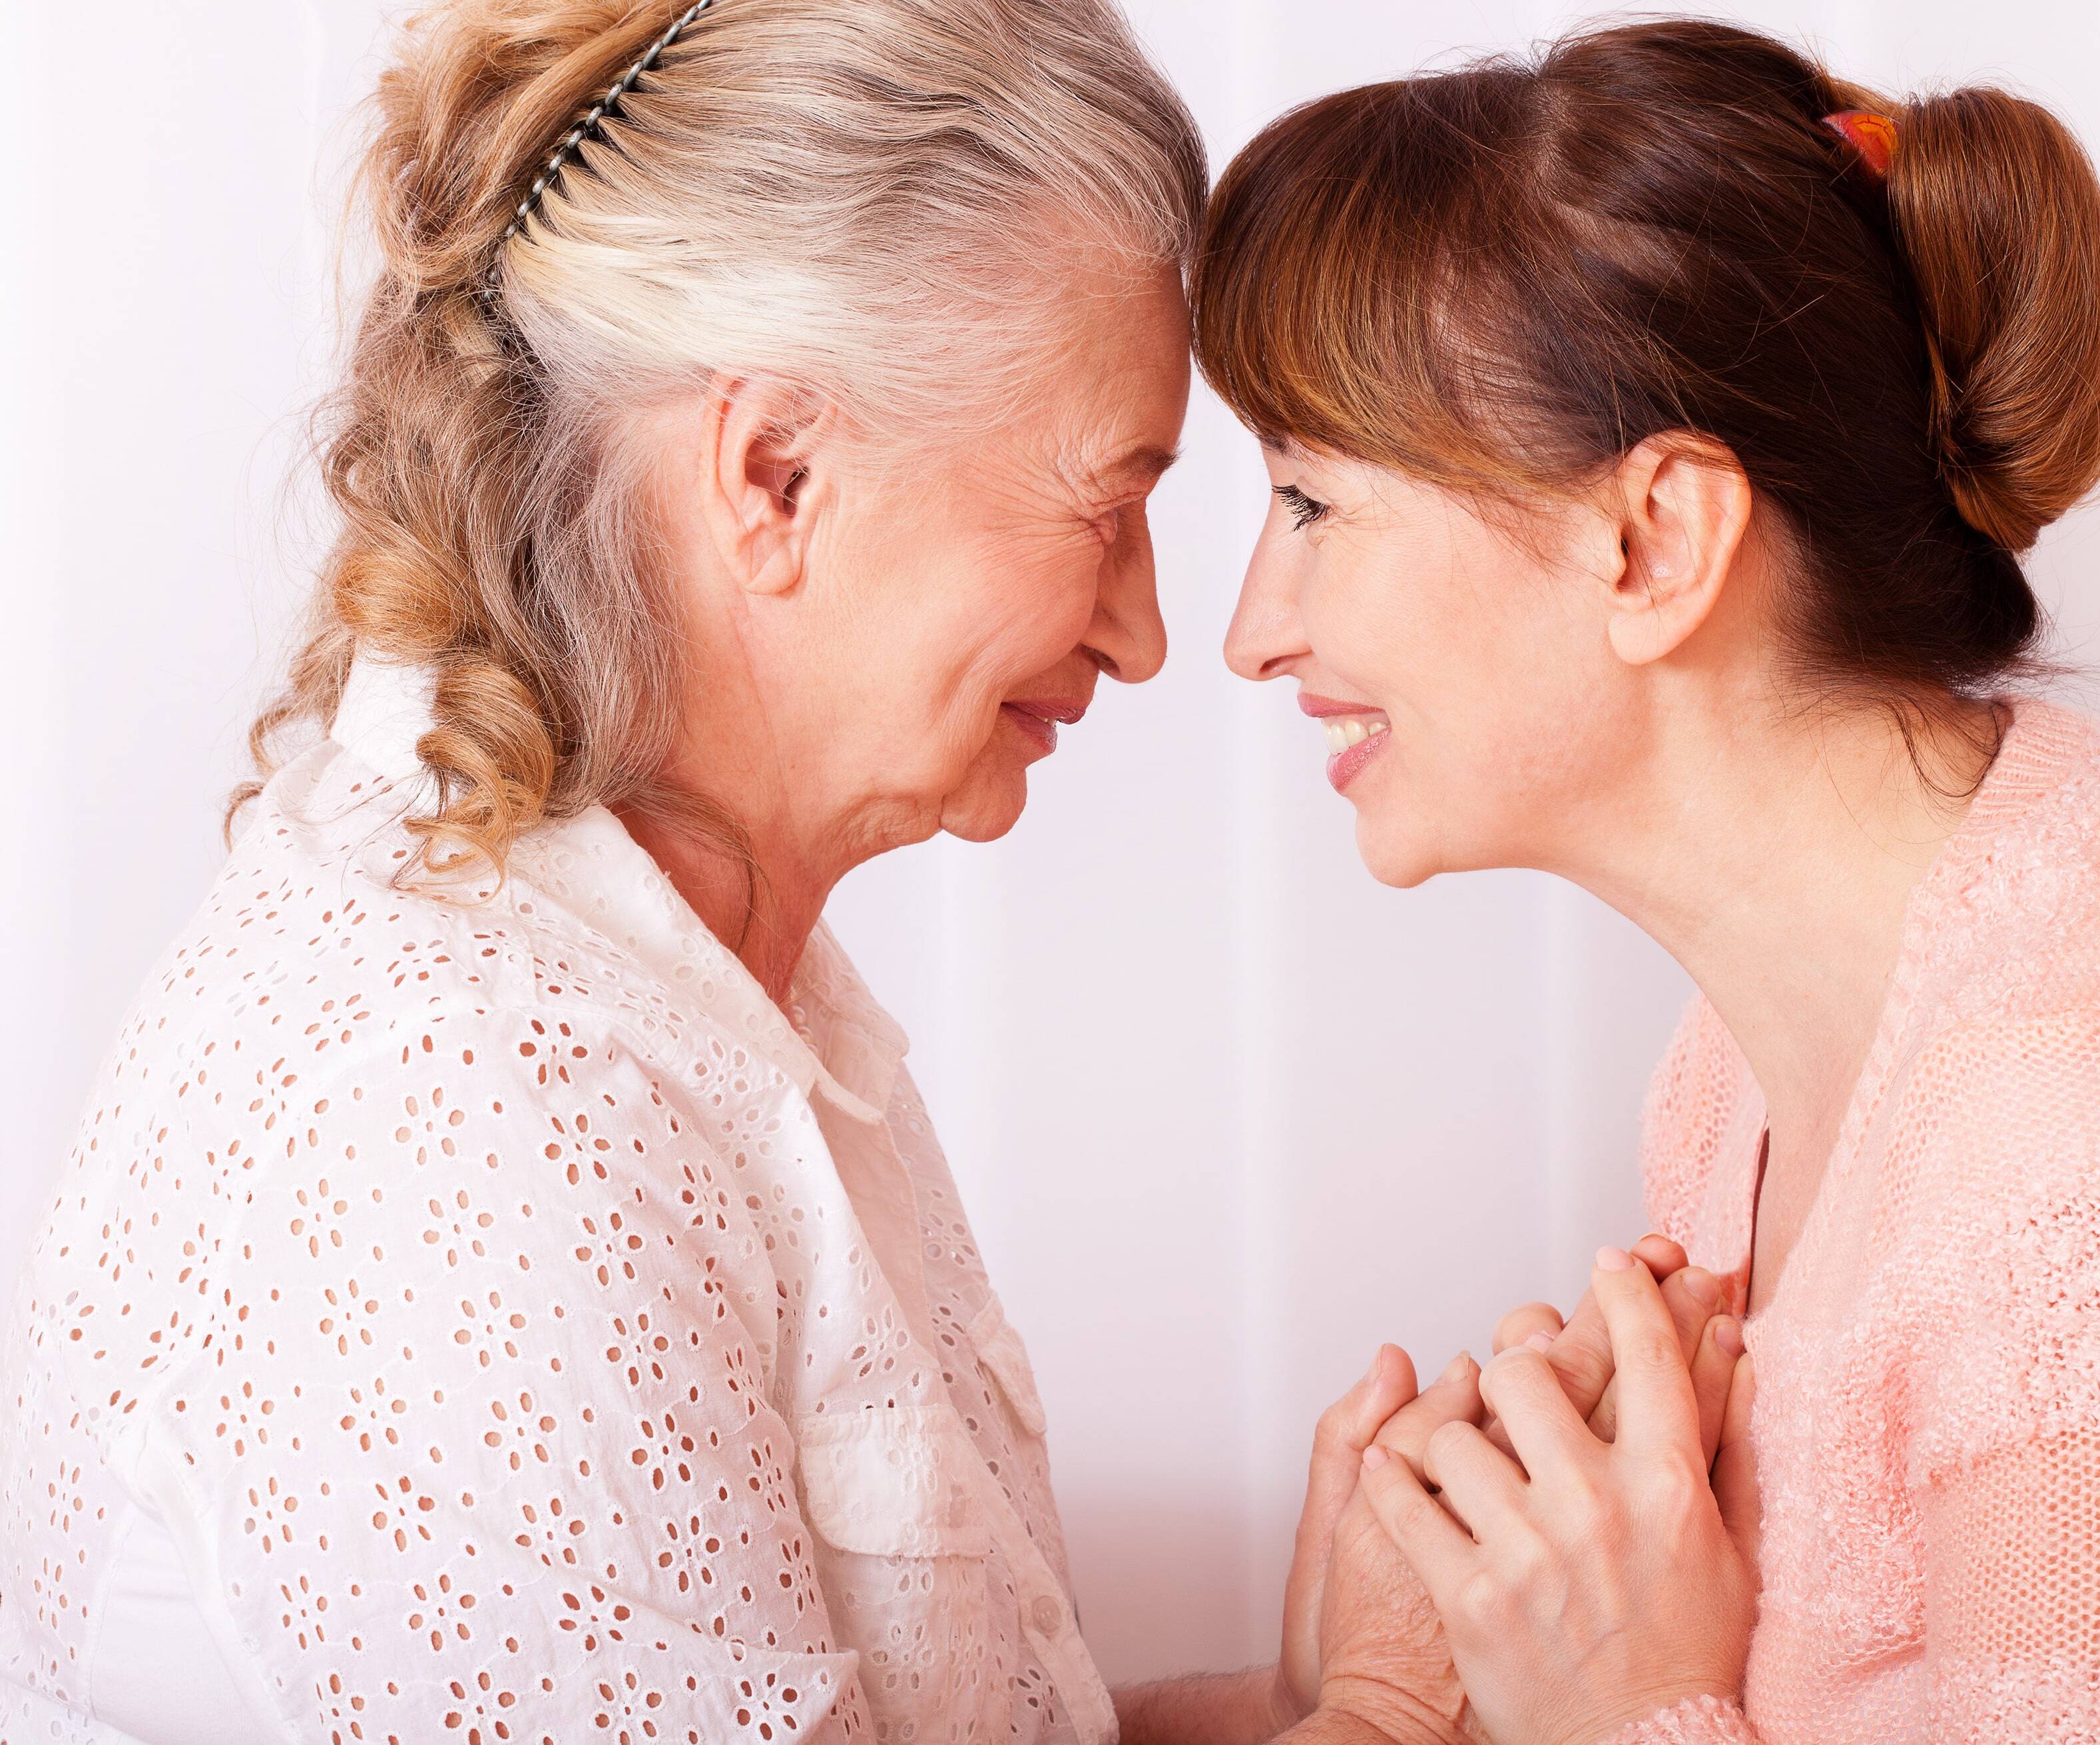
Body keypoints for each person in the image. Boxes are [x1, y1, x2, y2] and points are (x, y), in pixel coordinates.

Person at [0, 3, 1376, 1740]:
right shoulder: (464, 1121)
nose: (1147, 631)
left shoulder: (695, 998)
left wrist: (1305, 1698)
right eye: (1110, 505)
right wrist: (1390, 1724)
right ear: (776, 475)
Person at [1194, 17, 2100, 1743]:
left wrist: (1624, 1709)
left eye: (1314, 502)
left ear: (1655, 541)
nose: (1254, 632)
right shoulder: (1753, 1058)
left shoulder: (2086, 1141)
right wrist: (1400, 1687)